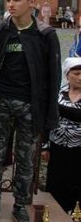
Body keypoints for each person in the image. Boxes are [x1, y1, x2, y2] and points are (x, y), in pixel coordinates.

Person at [0, 0, 61, 222]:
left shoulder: (45, 35)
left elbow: (53, 77)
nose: (11, 5)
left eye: (17, 0)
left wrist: (49, 115)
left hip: (30, 105)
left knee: (25, 161)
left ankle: (20, 207)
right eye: (8, 0)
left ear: (32, 2)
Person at [44, 57, 81, 213]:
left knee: (76, 185)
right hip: (58, 147)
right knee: (56, 184)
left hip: (78, 149)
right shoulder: (59, 94)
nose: (80, 77)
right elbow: (49, 122)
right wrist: (46, 147)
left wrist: (54, 106)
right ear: (67, 75)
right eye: (76, 73)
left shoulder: (54, 101)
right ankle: (53, 218)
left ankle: (75, 221)